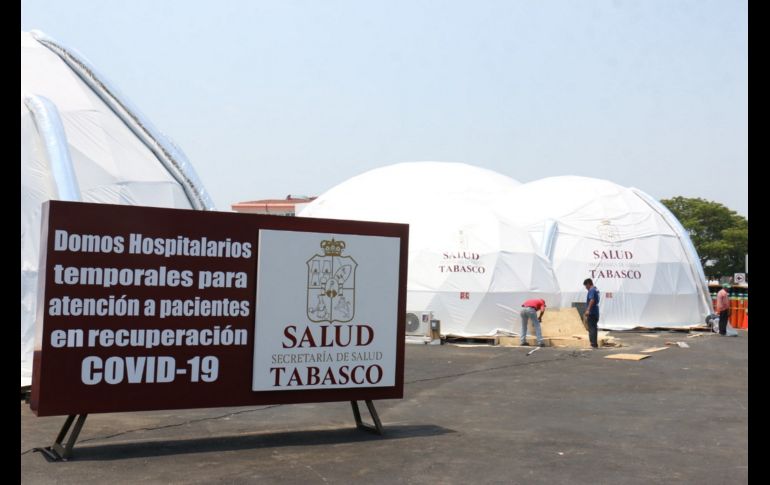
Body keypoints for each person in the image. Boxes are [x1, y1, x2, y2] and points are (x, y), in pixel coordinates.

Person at [583, 278, 600, 348]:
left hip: (592, 312)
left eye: (586, 286)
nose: (586, 288)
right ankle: (594, 344)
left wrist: (588, 310)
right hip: (595, 311)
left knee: (591, 328)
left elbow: (592, 300)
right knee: (594, 328)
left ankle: (593, 344)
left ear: (588, 284)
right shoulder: (596, 289)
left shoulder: (591, 290)